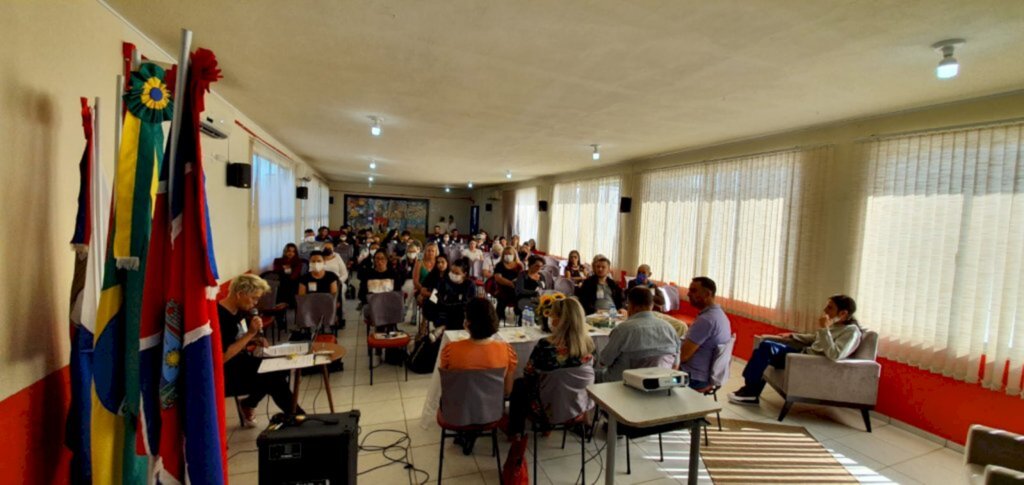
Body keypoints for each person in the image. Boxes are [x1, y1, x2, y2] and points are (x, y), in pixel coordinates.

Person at [729, 295, 863, 405]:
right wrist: (793, 335)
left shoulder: (851, 332)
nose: (825, 310)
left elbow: (835, 354)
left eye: (830, 307)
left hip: (808, 363)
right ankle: (750, 391)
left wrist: (825, 329)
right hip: (802, 355)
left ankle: (750, 392)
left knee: (767, 347)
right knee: (764, 347)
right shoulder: (837, 325)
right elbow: (816, 338)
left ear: (843, 313)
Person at [219, 275, 304, 426]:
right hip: (224, 373)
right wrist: (250, 334)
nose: (255, 303)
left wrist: (253, 339)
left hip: (240, 361)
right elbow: (221, 357)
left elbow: (237, 338)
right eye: (254, 298)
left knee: (280, 368)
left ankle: (250, 403)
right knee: (273, 378)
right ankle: (298, 417)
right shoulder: (220, 316)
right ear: (240, 294)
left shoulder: (239, 311)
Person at [506, 297, 595, 438]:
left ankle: (515, 431)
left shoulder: (545, 346)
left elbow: (529, 374)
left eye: (552, 315)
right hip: (578, 405)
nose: (549, 319)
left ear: (559, 320)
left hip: (545, 408)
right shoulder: (588, 345)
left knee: (519, 385)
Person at [439, 298, 518, 454]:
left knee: (464, 397)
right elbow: (508, 391)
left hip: (456, 411)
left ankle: (467, 432)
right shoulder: (505, 350)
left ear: (467, 322)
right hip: (491, 411)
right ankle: (472, 431)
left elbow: (447, 388)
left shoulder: (451, 350)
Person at [598, 287, 681, 382]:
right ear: (652, 305)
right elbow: (675, 365)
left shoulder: (623, 330)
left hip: (622, 384)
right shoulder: (670, 329)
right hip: (660, 385)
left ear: (631, 305)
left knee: (592, 372)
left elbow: (604, 361)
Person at [677, 277, 732, 390]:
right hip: (706, 375)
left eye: (693, 291)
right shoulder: (719, 315)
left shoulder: (706, 320)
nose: (688, 294)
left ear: (707, 294)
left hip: (694, 378)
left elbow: (683, 356)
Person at [424, 257, 477, 330]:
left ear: (464, 274)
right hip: (443, 316)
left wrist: (447, 305)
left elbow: (467, 305)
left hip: (461, 318)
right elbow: (436, 300)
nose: (453, 274)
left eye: (457, 273)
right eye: (452, 272)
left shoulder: (469, 285)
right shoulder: (444, 282)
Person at [493, 246, 523, 324]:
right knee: (502, 299)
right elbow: (498, 278)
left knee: (521, 298)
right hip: (502, 288)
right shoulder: (499, 265)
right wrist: (510, 283)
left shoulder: (519, 266)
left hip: (515, 289)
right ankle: (498, 319)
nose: (507, 255)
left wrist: (515, 283)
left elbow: (521, 277)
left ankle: (520, 319)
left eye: (509, 254)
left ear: (514, 255)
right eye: (505, 254)